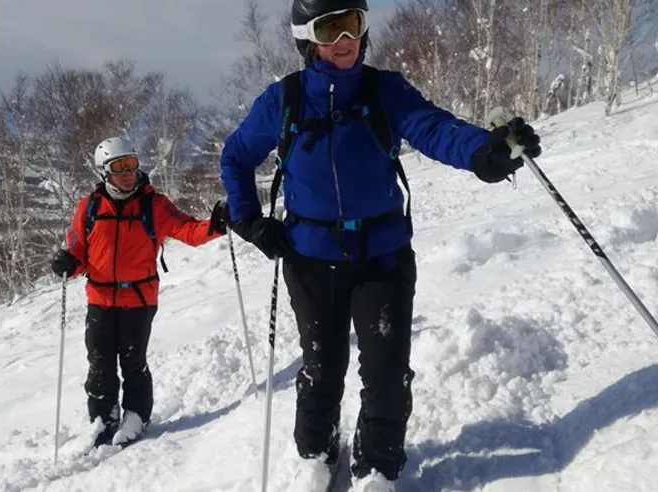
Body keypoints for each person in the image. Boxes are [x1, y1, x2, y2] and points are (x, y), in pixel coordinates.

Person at [219, 0, 541, 489]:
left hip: (382, 259)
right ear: (307, 39)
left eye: (353, 23)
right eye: (331, 28)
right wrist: (248, 220)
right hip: (309, 259)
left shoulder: (383, 90)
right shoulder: (283, 101)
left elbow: (433, 127)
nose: (345, 39)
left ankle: (376, 469)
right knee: (322, 369)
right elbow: (236, 156)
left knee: (387, 375)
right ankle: (316, 458)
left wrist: (483, 151)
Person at [51, 136, 229, 448]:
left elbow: (188, 230)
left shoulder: (154, 206)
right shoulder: (89, 208)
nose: (128, 172)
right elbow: (79, 250)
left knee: (133, 363)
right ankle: (102, 420)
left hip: (139, 300)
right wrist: (68, 262)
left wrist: (214, 225)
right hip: (100, 300)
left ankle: (136, 415)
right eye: (119, 166)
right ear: (104, 172)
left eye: (132, 164)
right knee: (100, 365)